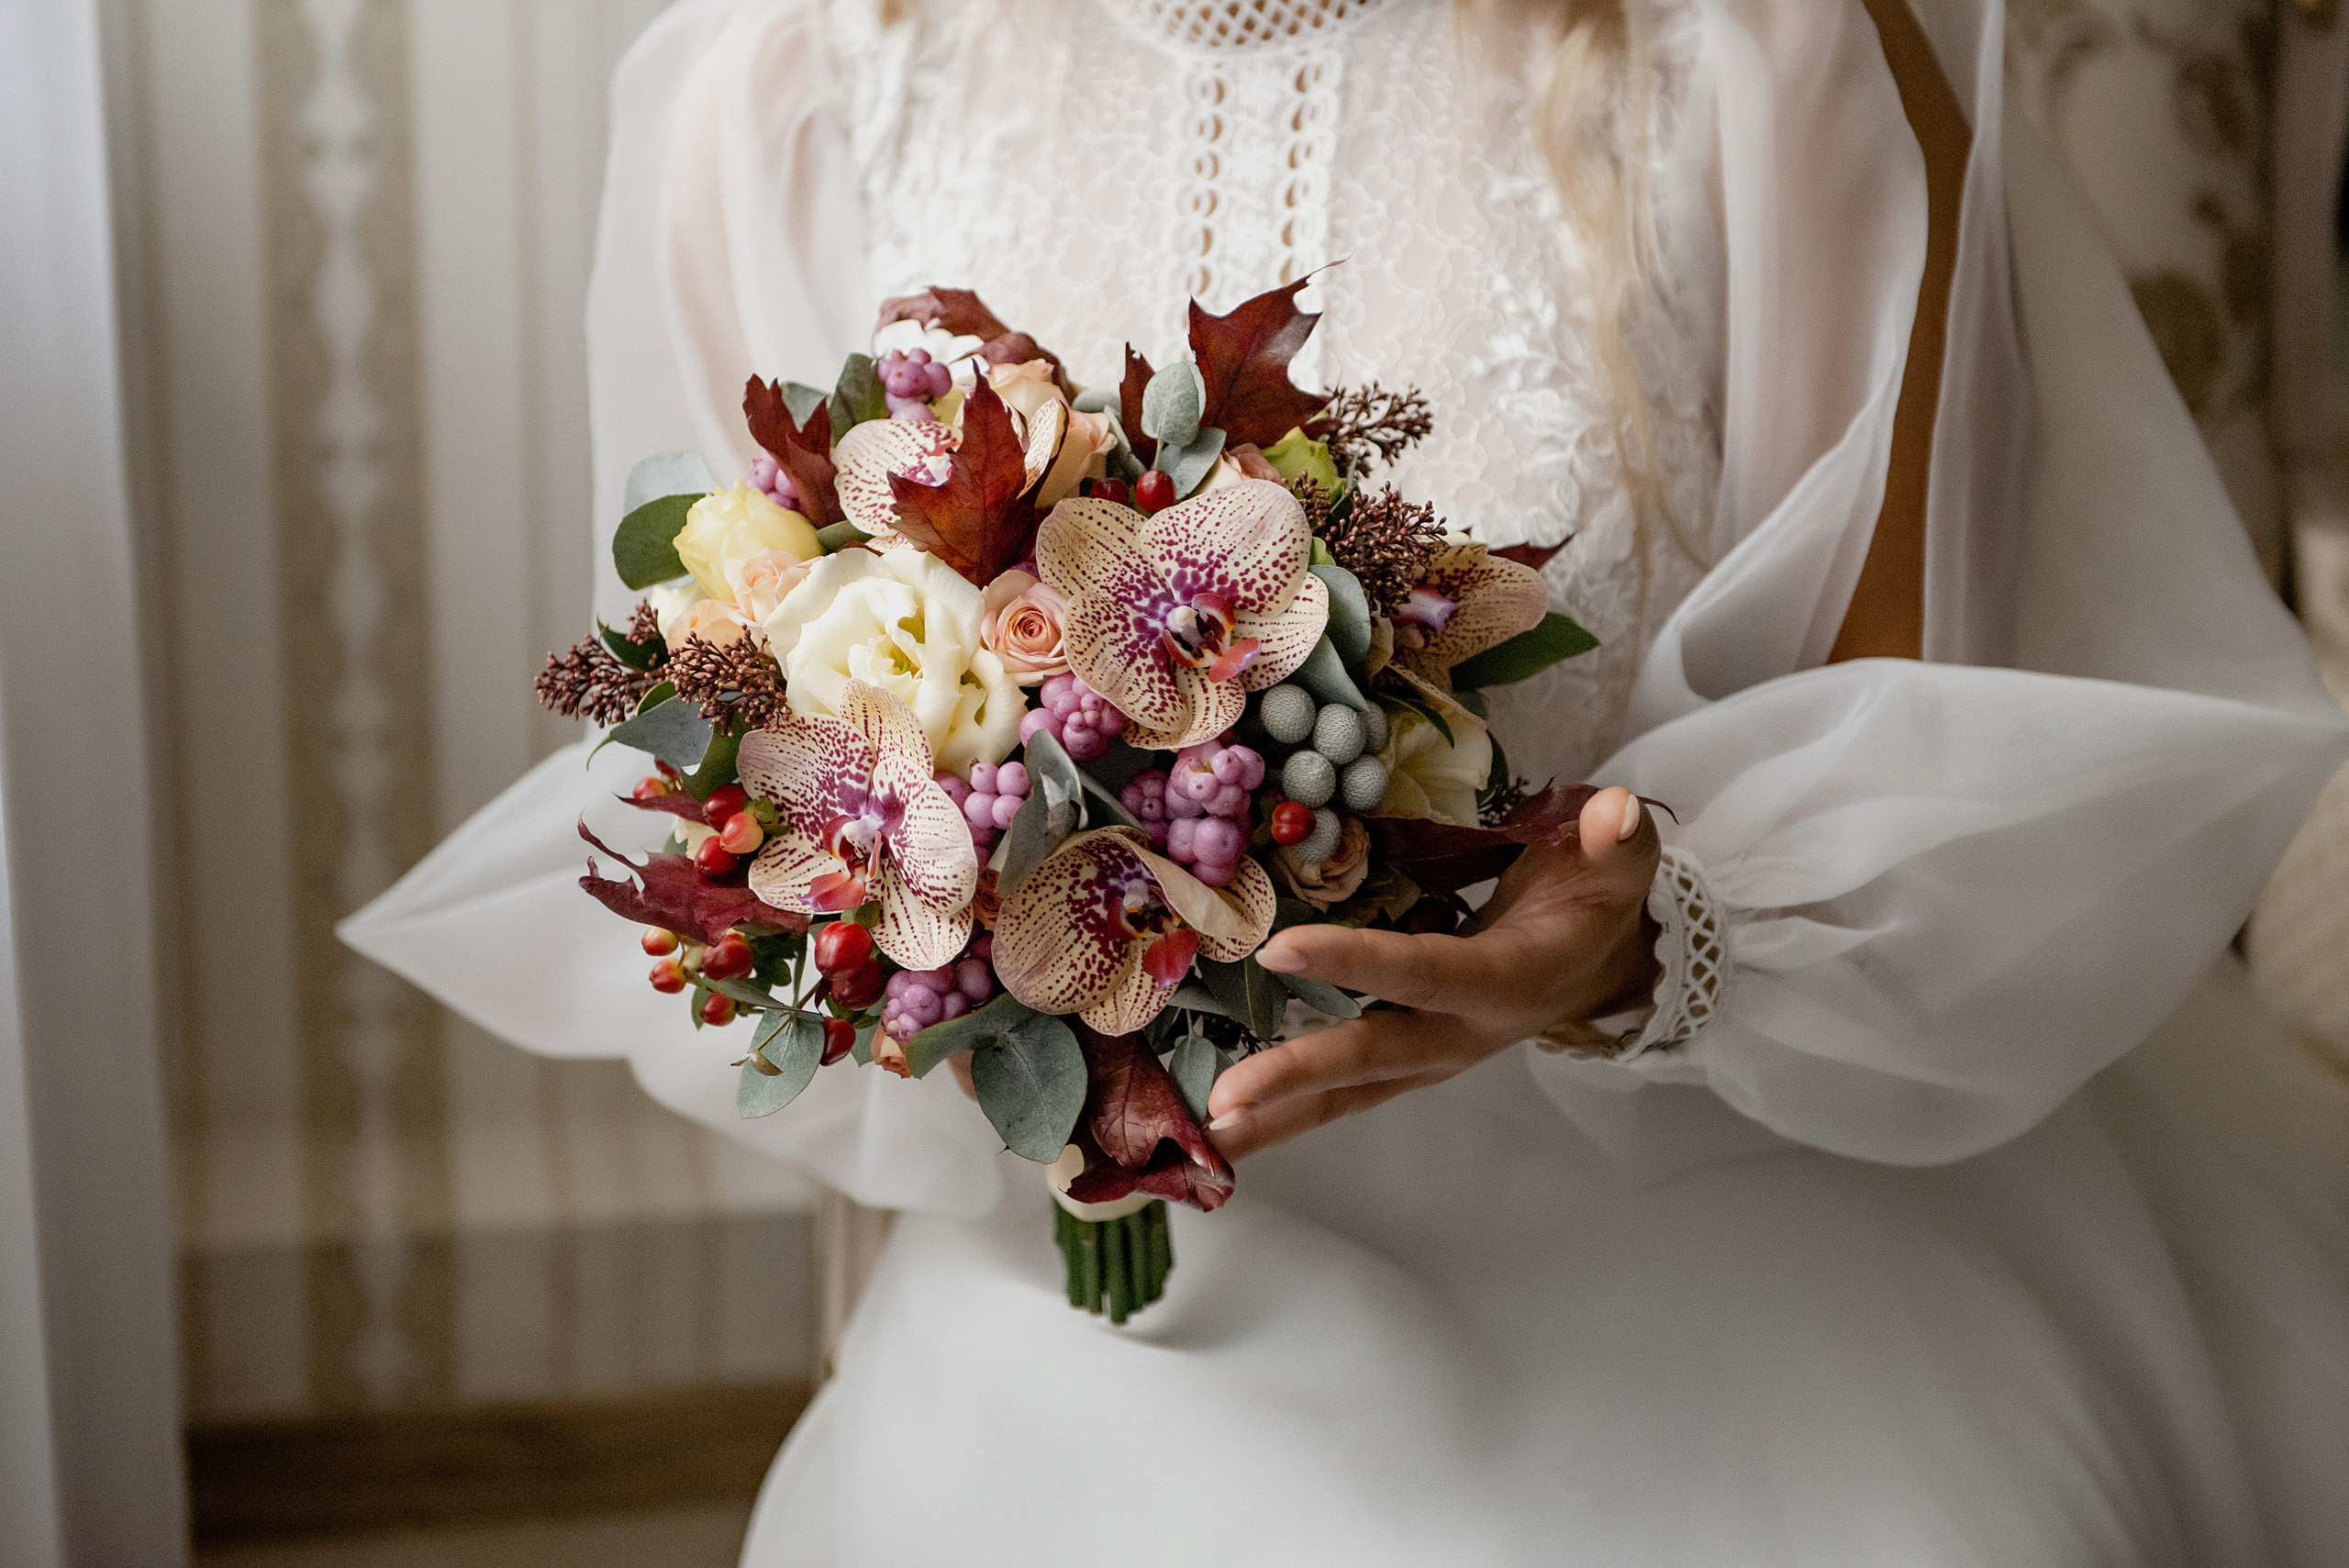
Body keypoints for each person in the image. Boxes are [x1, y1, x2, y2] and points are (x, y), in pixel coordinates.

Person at [343, 0, 2349, 1562]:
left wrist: (1646, 941)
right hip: (1117, 1285)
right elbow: (749, 742)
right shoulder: (795, 76)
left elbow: (1922, 771)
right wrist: (948, 926)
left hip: (1723, 1208)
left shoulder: (1759, 52)